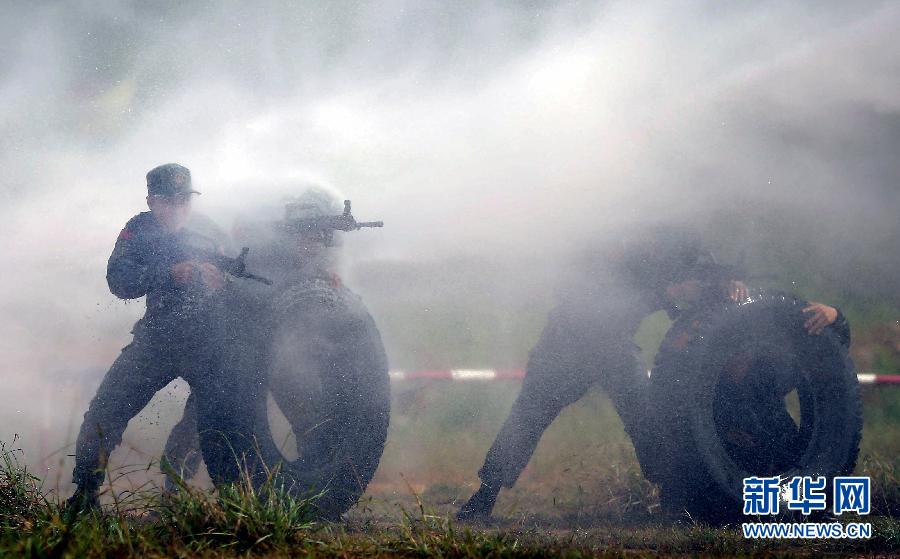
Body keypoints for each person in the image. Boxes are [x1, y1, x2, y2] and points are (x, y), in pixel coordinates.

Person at [456, 227, 750, 521]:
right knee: (528, 417)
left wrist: (727, 284)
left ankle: (672, 499)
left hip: (616, 346)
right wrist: (664, 293)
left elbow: (705, 269)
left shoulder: (678, 240)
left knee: (648, 420)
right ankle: (485, 495)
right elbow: (593, 297)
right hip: (566, 343)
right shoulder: (607, 239)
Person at [67, 163, 234, 511]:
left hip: (207, 341)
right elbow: (119, 281)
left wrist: (224, 282)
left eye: (183, 201)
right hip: (158, 339)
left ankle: (176, 492)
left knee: (206, 419)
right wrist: (168, 273)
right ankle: (84, 494)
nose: (176, 209)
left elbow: (243, 277)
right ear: (151, 201)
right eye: (168, 201)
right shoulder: (138, 230)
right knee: (106, 410)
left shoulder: (210, 231)